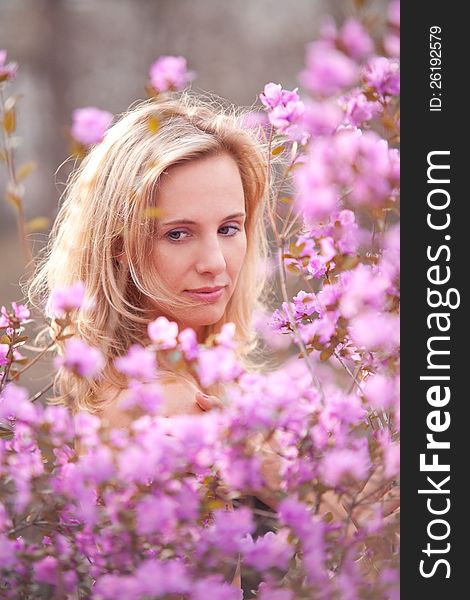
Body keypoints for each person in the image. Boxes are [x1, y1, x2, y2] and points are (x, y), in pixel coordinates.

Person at [28, 92, 398, 593]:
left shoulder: (202, 381)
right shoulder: (163, 408)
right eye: (178, 234)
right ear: (117, 247)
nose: (216, 262)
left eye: (229, 228)